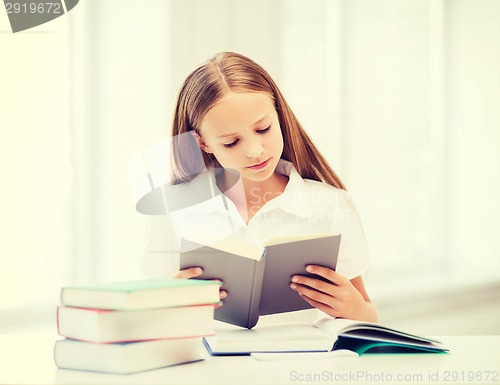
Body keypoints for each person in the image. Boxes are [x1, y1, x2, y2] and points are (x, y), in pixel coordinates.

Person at [143, 52, 378, 323]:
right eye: (231, 142)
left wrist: (354, 309)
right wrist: (171, 306)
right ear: (203, 144)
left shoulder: (331, 205)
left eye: (263, 129)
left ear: (278, 115)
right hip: (209, 363)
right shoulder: (172, 207)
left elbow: (368, 318)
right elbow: (151, 321)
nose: (255, 151)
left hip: (300, 362)